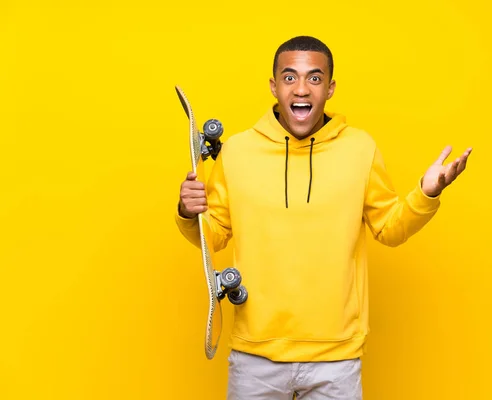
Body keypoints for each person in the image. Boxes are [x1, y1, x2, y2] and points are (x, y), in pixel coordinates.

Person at [175, 35, 472, 399]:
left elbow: (390, 229)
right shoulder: (237, 151)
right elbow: (215, 236)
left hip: (337, 360)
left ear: (330, 88)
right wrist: (188, 213)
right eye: (289, 77)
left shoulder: (360, 148)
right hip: (255, 356)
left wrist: (426, 193)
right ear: (273, 86)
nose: (301, 89)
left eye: (314, 78)